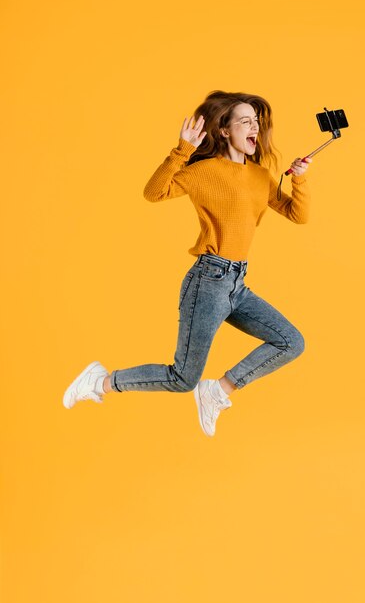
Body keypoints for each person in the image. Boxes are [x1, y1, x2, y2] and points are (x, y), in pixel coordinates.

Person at [63, 90, 312, 437]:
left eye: (256, 121)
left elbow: (297, 214)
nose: (254, 126)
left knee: (291, 342)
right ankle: (101, 381)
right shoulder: (205, 171)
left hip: (236, 284)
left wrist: (299, 177)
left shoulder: (259, 176)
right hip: (209, 281)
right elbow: (154, 192)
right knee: (183, 378)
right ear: (224, 131)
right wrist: (182, 150)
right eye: (245, 121)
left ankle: (218, 390)